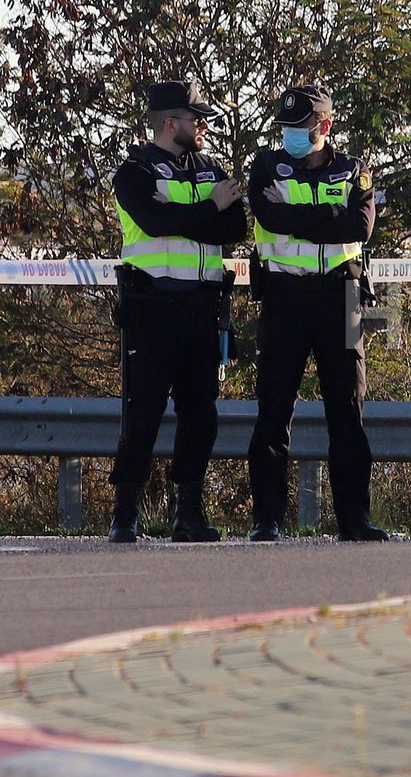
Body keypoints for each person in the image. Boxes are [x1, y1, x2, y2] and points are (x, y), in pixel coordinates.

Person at [245, 85, 388, 542]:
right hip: (283, 297)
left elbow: (360, 226)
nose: (289, 134)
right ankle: (267, 519)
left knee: (347, 411)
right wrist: (327, 216)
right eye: (284, 127)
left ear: (324, 126)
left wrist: (299, 217)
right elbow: (270, 217)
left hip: (340, 299)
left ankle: (354, 519)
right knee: (273, 411)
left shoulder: (353, 169)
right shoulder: (266, 166)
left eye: (299, 127)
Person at [109, 80, 247, 543]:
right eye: (196, 119)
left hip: (201, 309)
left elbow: (234, 227)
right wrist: (210, 207)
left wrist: (189, 216)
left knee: (200, 415)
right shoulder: (134, 172)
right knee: (143, 412)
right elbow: (154, 223)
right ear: (170, 123)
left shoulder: (212, 168)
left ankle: (188, 514)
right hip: (152, 307)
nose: (204, 126)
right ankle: (124, 513)